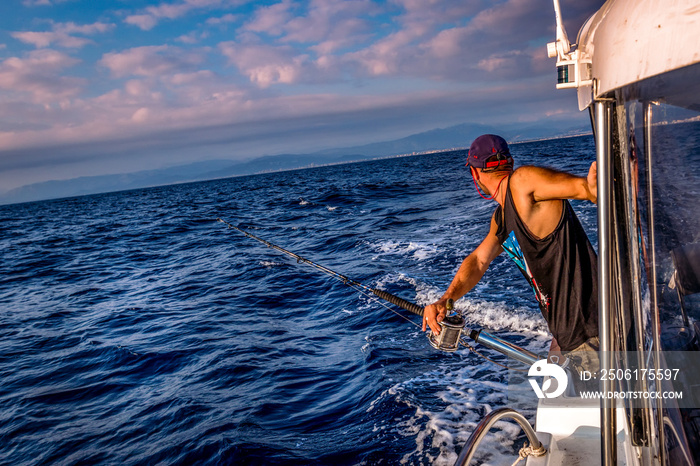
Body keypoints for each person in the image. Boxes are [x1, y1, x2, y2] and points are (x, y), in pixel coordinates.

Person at [423, 134, 599, 370]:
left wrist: (591, 188)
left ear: (475, 174)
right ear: (510, 161)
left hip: (591, 333)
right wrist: (446, 300)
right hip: (570, 333)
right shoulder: (502, 218)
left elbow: (587, 189)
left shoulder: (521, 182)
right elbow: (478, 260)